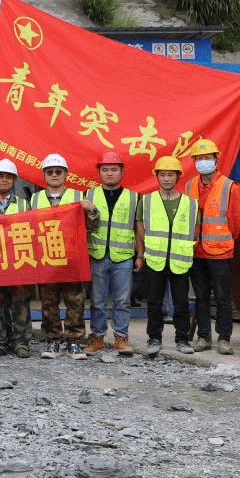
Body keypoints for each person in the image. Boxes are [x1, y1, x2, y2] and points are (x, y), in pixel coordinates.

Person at [184, 139, 240, 356]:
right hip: (196, 251)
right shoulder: (189, 185)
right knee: (201, 297)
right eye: (199, 158)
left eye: (207, 157)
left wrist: (226, 241)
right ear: (193, 161)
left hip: (221, 252)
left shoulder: (230, 187)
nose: (203, 162)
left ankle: (224, 339)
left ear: (216, 159)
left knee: (222, 297)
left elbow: (239, 222)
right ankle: (204, 337)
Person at [136, 155, 199, 357]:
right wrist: (141, 254)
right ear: (157, 177)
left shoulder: (191, 204)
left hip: (180, 259)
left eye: (170, 175)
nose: (166, 179)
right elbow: (140, 229)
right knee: (154, 302)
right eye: (162, 174)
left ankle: (182, 339)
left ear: (178, 176)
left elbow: (195, 231)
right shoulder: (146, 200)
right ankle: (154, 338)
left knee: (181, 302)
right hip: (155, 258)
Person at [82, 151, 139, 357]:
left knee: (122, 300)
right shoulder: (89, 195)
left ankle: (121, 338)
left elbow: (137, 227)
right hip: (97, 254)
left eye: (114, 169)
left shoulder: (133, 197)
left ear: (122, 172)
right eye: (105, 169)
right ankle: (97, 338)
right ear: (99, 172)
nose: (109, 173)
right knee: (97, 300)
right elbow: (83, 226)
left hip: (123, 256)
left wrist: (139, 256)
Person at [31, 153, 87, 359]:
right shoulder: (35, 199)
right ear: (44, 175)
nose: (54, 175)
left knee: (75, 302)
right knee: (48, 304)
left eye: (58, 172)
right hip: (46, 259)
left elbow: (90, 225)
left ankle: (74, 341)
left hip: (72, 258)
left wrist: (91, 211)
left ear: (66, 174)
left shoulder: (79, 197)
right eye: (50, 172)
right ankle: (52, 341)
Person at [0, 159, 31, 358]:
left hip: (18, 262)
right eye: (0, 176)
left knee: (20, 304)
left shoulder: (23, 205)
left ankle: (21, 343)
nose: (4, 180)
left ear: (14, 180)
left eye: (8, 177)